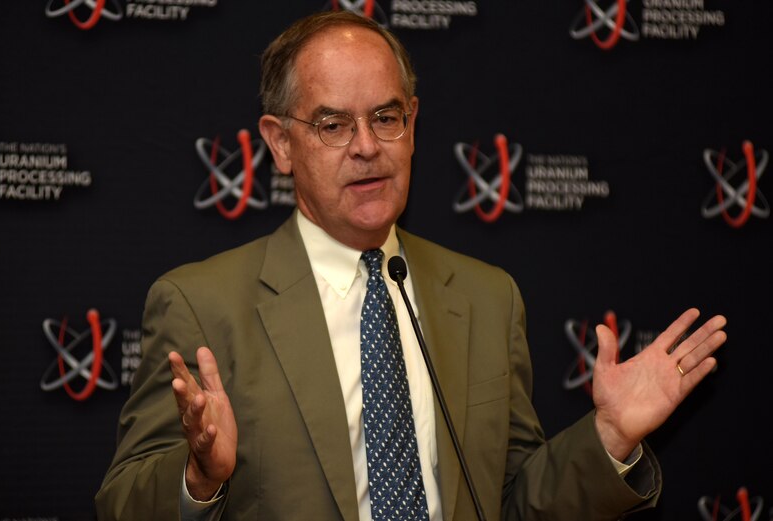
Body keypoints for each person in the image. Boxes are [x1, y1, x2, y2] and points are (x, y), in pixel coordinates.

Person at [94, 10, 727, 521]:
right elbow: (121, 502)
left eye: (386, 118)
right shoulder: (201, 303)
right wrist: (199, 479)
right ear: (280, 144)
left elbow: (511, 501)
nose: (367, 146)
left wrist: (609, 438)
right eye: (333, 124)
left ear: (413, 124)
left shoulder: (486, 296)